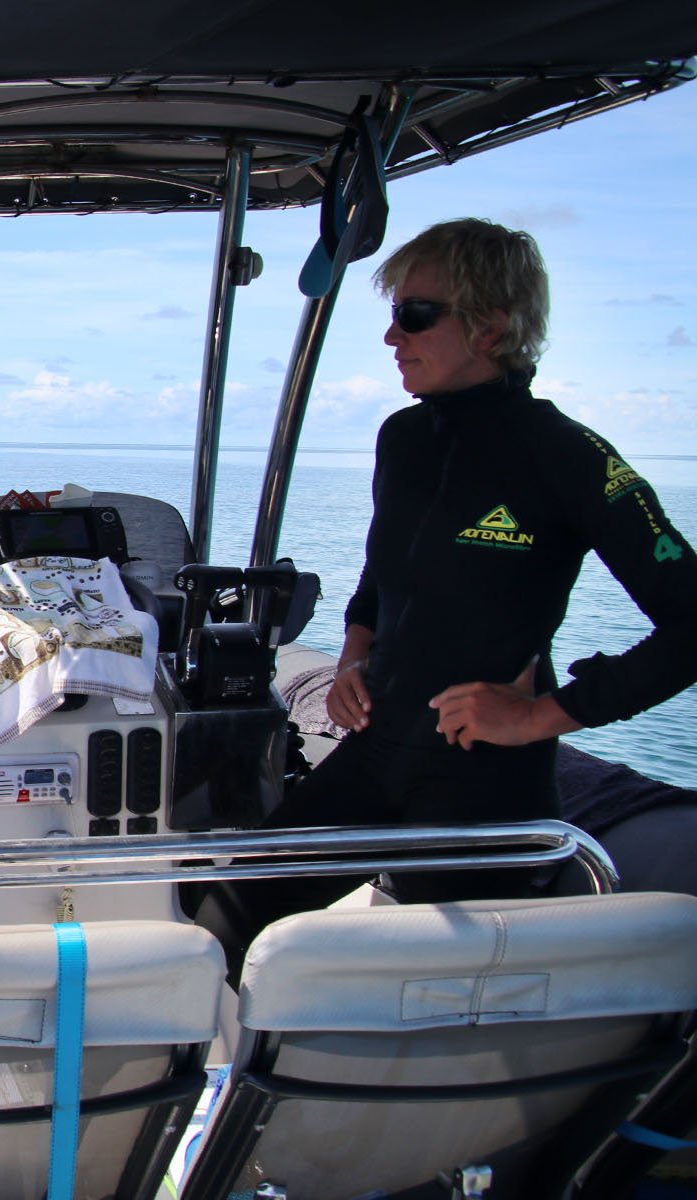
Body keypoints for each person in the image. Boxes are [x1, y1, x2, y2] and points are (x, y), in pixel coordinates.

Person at [194, 218, 697, 981]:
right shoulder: (403, 438)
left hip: (482, 777)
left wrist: (540, 716)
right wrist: (353, 659)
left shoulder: (569, 456)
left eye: (415, 315)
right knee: (222, 918)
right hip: (379, 745)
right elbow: (381, 571)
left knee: (438, 993)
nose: (392, 336)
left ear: (491, 327)